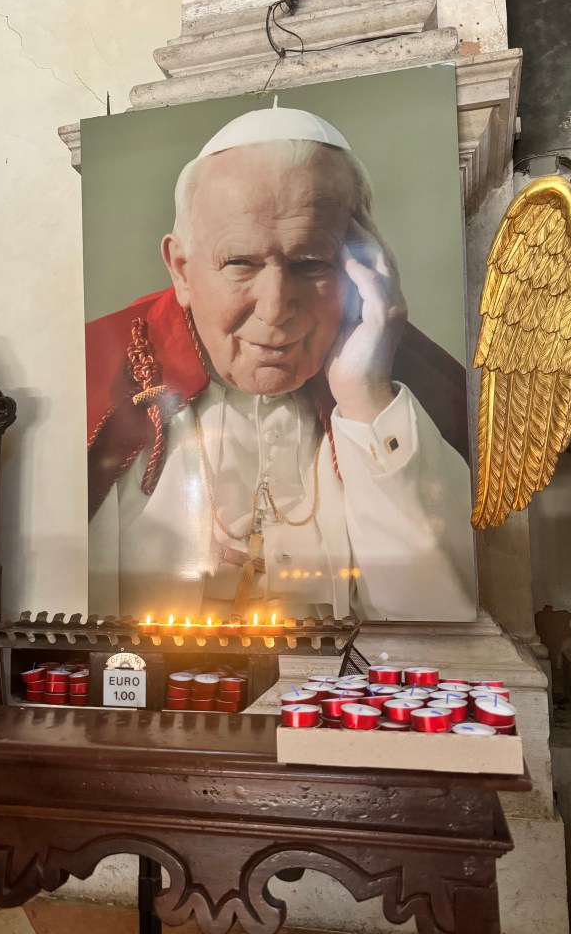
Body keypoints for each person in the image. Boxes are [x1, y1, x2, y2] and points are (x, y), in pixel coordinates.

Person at [86, 106, 476, 621]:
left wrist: (366, 398)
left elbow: (437, 620)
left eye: (310, 264)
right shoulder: (99, 378)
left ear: (360, 266)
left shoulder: (419, 385)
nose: (274, 308)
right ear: (182, 269)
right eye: (240, 263)